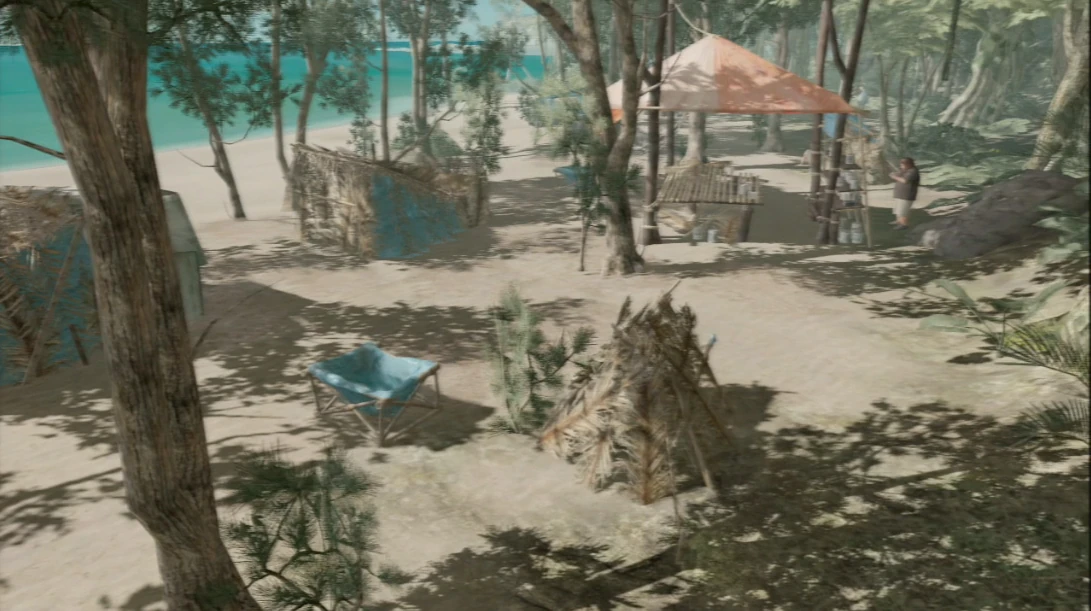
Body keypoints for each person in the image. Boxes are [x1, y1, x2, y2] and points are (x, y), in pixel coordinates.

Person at [889, 157, 920, 230]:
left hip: (906, 195)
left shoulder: (913, 171)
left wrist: (894, 177)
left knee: (903, 211)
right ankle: (898, 221)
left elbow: (905, 180)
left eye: (902, 165)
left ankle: (904, 224)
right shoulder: (905, 170)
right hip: (900, 194)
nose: (901, 166)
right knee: (898, 209)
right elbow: (898, 174)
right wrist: (897, 173)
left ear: (908, 164)